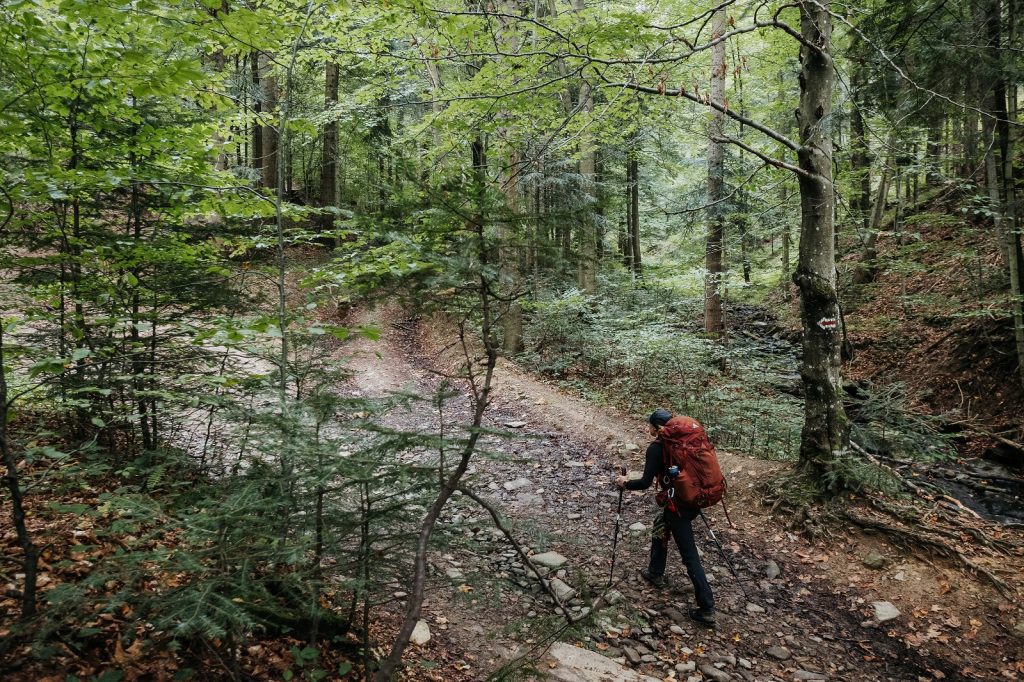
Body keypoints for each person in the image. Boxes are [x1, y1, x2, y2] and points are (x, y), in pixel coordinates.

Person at [615, 408, 716, 626]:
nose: (647, 428)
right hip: (693, 499)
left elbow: (644, 483)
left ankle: (707, 608)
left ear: (658, 429)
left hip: (678, 505)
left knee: (689, 556)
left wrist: (625, 483)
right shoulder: (687, 444)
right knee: (660, 524)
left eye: (650, 425)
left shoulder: (657, 448)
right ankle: (655, 572)